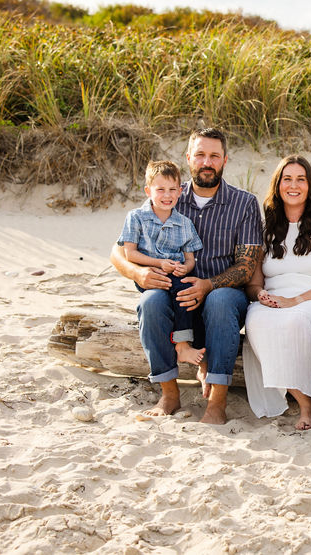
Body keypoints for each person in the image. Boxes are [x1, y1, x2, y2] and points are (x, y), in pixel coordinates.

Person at [110, 128, 261, 424]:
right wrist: (138, 273)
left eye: (214, 156)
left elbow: (246, 267)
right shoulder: (168, 193)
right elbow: (117, 251)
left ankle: (217, 404)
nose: (207, 161)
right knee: (151, 302)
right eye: (201, 154)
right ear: (189, 158)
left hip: (223, 294)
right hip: (172, 291)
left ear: (225, 160)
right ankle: (169, 393)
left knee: (219, 300)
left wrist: (207, 285)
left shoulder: (244, 204)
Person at [242, 155, 311, 428]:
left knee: (296, 322)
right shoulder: (264, 227)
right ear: (278, 185)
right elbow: (255, 283)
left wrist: (296, 300)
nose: (293, 185)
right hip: (274, 300)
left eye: (300, 179)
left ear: (309, 185)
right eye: (287, 179)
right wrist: (260, 296)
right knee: (256, 321)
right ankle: (304, 403)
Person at [116, 159, 205, 368]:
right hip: (149, 275)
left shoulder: (184, 223)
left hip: (175, 274)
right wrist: (158, 263)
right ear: (148, 190)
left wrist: (186, 267)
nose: (167, 195)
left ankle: (193, 347)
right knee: (180, 291)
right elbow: (130, 253)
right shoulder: (136, 217)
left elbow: (190, 259)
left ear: (181, 190)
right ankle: (182, 345)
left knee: (189, 292)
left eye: (172, 189)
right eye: (160, 189)